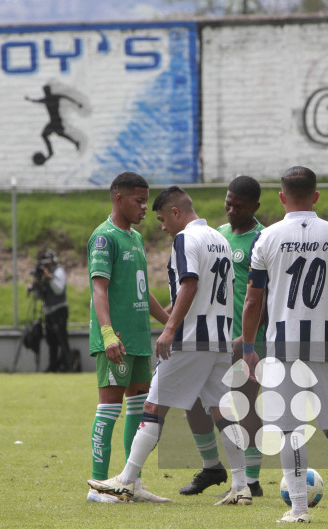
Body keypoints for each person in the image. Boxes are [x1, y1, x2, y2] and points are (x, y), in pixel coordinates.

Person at [88, 186, 251, 505]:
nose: (162, 226)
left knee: (152, 407)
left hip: (191, 339)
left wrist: (170, 328)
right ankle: (241, 486)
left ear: (176, 212)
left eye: (163, 218)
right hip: (219, 337)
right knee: (222, 411)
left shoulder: (185, 239)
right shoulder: (220, 238)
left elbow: (189, 284)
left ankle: (127, 479)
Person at [241, 165, 328, 523]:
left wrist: (249, 348)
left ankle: (299, 510)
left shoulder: (266, 238)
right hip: (325, 344)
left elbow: (253, 301)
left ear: (282, 197)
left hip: (282, 348)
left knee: (288, 430)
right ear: (315, 196)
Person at [178, 175, 267, 497]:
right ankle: (212, 466)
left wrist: (248, 338)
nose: (230, 210)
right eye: (228, 203)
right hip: (211, 336)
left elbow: (265, 296)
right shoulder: (219, 236)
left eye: (238, 206)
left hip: (247, 339)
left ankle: (252, 481)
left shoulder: (263, 239)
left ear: (255, 207)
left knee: (244, 405)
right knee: (193, 402)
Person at [85, 172, 170, 503]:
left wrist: (171, 322)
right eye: (139, 200)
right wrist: (107, 334)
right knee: (109, 410)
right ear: (118, 199)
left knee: (138, 411)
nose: (146, 207)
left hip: (137, 341)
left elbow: (143, 291)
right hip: (115, 340)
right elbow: (98, 289)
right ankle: (97, 488)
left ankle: (130, 482)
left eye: (146, 200)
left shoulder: (134, 238)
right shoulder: (104, 238)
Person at [30, 248, 72, 372]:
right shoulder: (43, 275)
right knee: (50, 340)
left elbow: (59, 289)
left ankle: (67, 365)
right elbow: (39, 295)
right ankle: (52, 366)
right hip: (48, 311)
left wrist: (50, 278)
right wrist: (36, 284)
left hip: (59, 309)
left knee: (61, 338)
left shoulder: (58, 272)